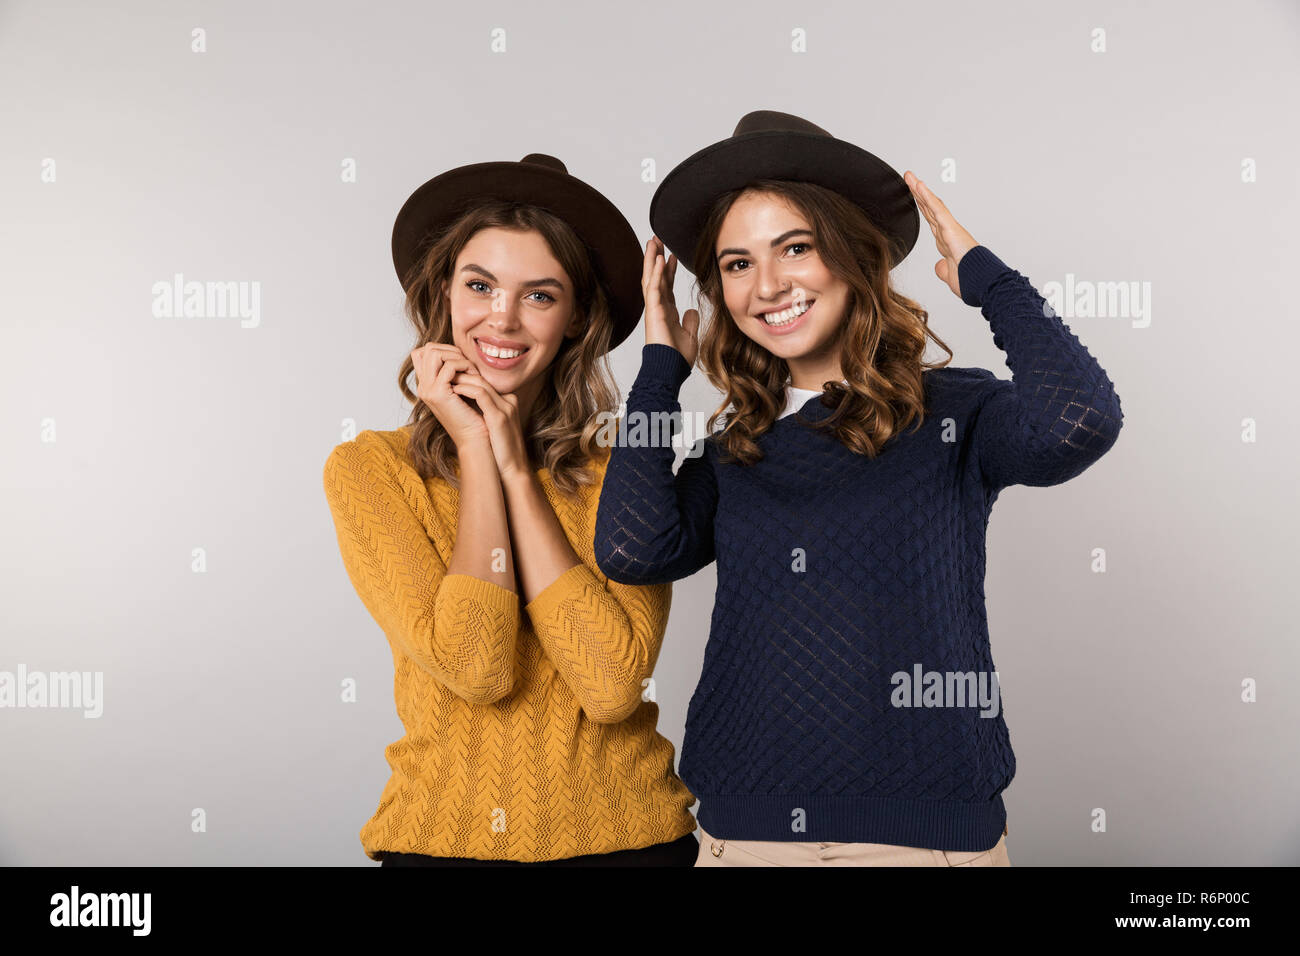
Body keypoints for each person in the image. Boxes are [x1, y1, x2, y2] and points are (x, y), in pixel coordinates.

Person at [593, 110, 1125, 866]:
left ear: (850, 256)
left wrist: (990, 281)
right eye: (738, 263)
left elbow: (1081, 422)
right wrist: (657, 373)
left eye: (796, 249)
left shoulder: (955, 412)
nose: (767, 284)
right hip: (745, 837)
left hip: (925, 840)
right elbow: (630, 548)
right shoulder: (735, 445)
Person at [322, 153, 698, 866]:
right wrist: (473, 444)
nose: (502, 318)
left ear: (576, 317)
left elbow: (613, 686)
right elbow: (477, 666)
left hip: (631, 842)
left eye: (539, 295)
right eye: (481, 285)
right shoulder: (371, 470)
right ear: (445, 292)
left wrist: (513, 468)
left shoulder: (624, 470)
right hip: (441, 843)